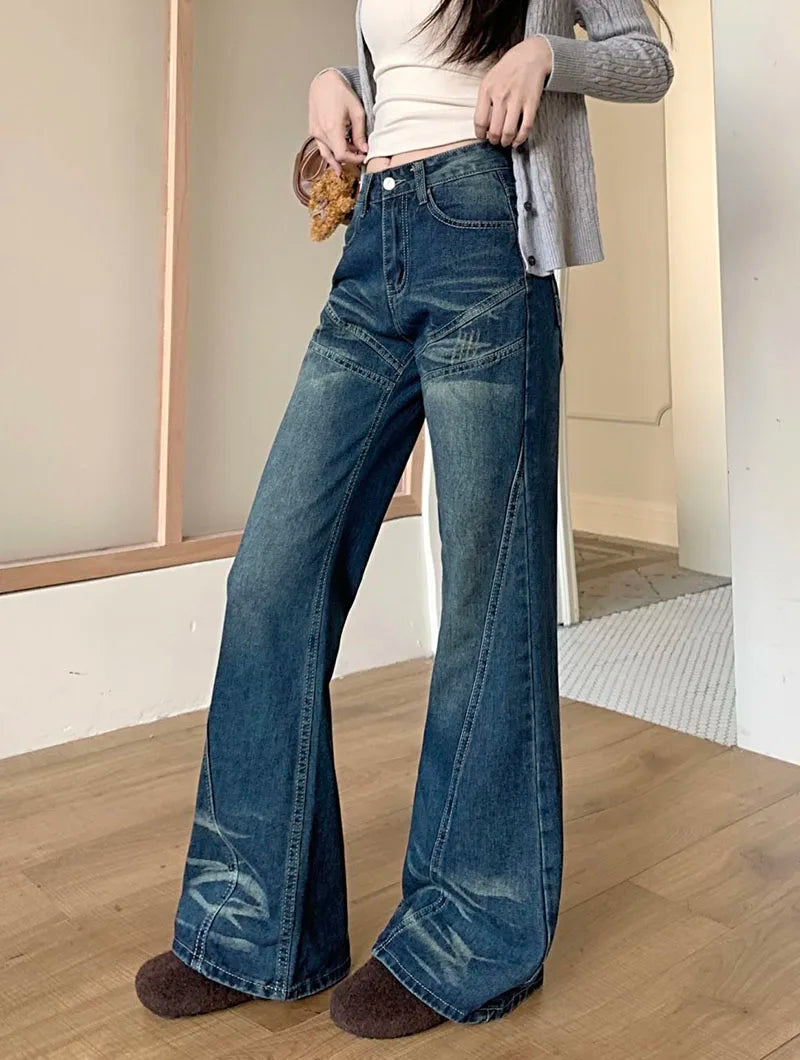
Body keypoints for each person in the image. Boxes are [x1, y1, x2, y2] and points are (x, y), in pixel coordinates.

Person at [135, 0, 673, 1040]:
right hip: (372, 246)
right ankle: (250, 928)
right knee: (272, 577)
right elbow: (407, 71)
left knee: (485, 599)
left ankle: (466, 934)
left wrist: (544, 54)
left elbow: (646, 58)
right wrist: (333, 88)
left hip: (485, 240)